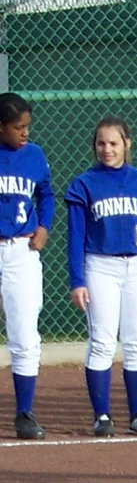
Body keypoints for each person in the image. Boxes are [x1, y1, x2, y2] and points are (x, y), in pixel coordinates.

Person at [65, 116, 137, 437]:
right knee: (102, 341)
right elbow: (76, 237)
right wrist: (77, 280)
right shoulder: (84, 184)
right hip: (100, 266)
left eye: (113, 143)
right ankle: (103, 416)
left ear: (127, 144)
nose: (107, 149)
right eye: (101, 143)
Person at [0, 93, 54, 440]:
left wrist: (44, 226)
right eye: (18, 127)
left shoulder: (33, 155)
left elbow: (46, 193)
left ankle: (24, 412)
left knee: (24, 334)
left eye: (27, 126)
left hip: (21, 250)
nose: (25, 133)